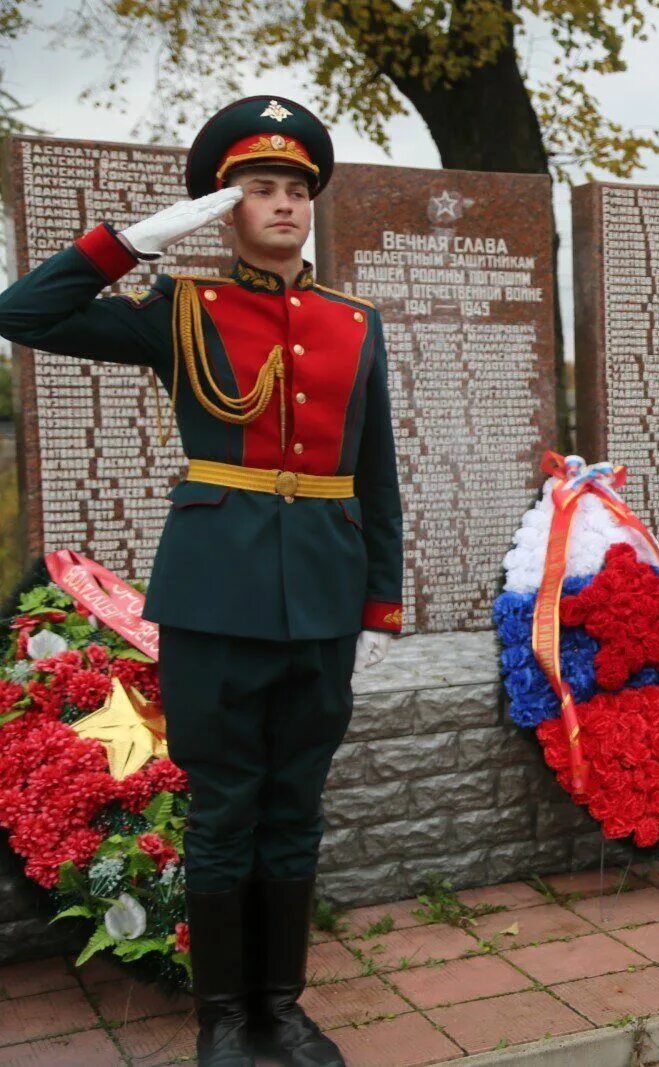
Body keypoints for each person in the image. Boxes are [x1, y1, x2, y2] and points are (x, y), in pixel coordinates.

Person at [0, 96, 402, 1067]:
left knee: (294, 807)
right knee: (224, 809)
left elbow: (377, 471)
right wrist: (128, 243)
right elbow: (21, 312)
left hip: (320, 597)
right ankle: (222, 1016)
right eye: (260, 188)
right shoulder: (181, 310)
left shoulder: (357, 322)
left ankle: (282, 1006)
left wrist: (378, 594)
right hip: (215, 597)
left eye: (297, 189)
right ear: (225, 208)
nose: (283, 204)